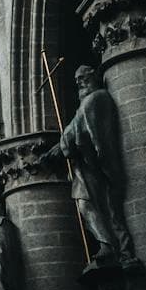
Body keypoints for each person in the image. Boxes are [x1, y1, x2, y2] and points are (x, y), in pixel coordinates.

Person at [44, 65, 132, 263]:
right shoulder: (86, 103)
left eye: (83, 78)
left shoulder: (96, 98)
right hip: (84, 165)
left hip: (95, 164)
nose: (80, 82)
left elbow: (80, 130)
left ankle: (111, 245)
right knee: (86, 205)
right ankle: (107, 244)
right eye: (77, 81)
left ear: (93, 77)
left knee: (98, 206)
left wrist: (62, 145)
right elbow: (76, 126)